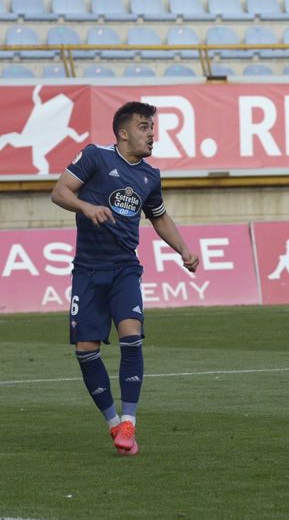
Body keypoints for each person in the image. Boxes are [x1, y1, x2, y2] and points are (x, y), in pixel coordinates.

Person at [50, 102, 200, 456]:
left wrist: (184, 250)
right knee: (86, 351)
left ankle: (130, 420)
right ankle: (113, 422)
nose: (152, 134)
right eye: (145, 127)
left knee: (131, 337)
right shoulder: (95, 157)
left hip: (124, 269)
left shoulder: (150, 176)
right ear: (123, 132)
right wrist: (87, 207)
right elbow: (60, 192)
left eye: (152, 128)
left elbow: (159, 218)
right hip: (87, 271)